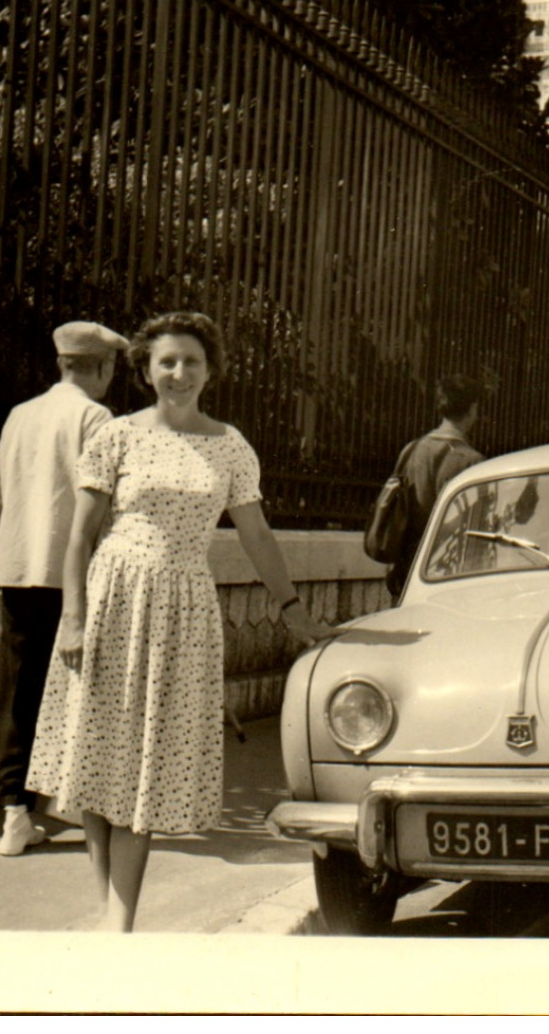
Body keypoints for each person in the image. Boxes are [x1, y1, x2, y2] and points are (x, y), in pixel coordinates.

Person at [26, 311, 334, 932]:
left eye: (192, 361)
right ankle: (109, 909)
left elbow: (257, 535)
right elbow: (80, 537)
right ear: (145, 369)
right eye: (167, 361)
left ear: (211, 371)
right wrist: (74, 617)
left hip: (183, 610)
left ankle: (120, 919)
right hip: (111, 599)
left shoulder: (230, 446)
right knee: (95, 752)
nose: (179, 373)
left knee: (143, 758)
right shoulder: (115, 436)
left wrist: (294, 611)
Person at [0, 320, 128, 858]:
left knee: (17, 688)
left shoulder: (21, 414)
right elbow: (106, 504)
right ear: (100, 366)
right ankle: (74, 804)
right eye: (111, 366)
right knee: (76, 688)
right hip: (75, 575)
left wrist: (14, 550)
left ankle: (13, 812)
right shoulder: (96, 418)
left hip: (18, 568)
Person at [386, 374, 486, 599]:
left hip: (407, 570)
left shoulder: (411, 451)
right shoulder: (472, 462)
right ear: (471, 410)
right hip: (448, 573)